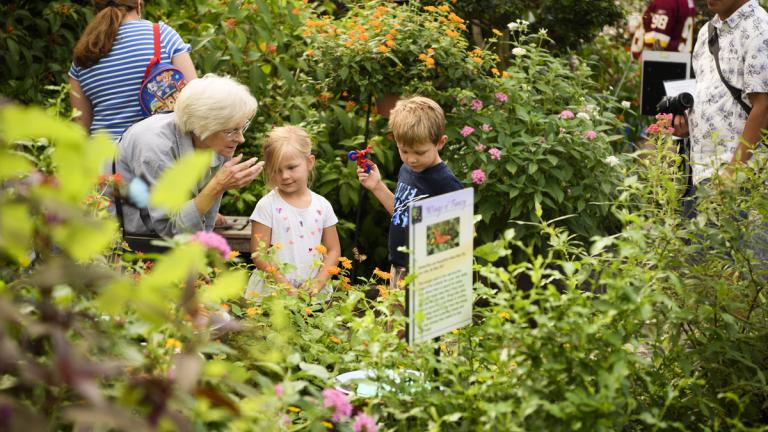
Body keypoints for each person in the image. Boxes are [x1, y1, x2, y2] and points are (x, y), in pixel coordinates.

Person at [115, 74, 263, 236]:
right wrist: (218, 185)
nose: (241, 139)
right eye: (232, 130)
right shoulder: (155, 148)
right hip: (117, 239)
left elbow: (204, 223)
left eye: (242, 127)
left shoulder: (218, 142)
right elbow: (169, 228)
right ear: (203, 126)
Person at [357, 96, 463, 288]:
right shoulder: (407, 170)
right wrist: (377, 186)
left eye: (420, 152)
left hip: (425, 276)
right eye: (404, 151)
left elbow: (463, 235)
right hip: (398, 268)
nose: (411, 159)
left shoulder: (445, 183)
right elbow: (402, 212)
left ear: (440, 142)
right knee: (395, 318)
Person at [69, 0, 196, 139]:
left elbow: (81, 129)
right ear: (138, 3)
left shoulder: (84, 53)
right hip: (156, 152)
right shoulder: (162, 36)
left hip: (103, 155)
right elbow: (197, 100)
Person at [675, 0, 768, 188]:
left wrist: (732, 173)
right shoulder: (706, 32)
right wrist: (688, 122)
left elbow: (764, 107)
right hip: (701, 172)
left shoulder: (760, 29)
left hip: (742, 178)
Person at [247, 125, 341, 296]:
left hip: (312, 296)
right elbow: (258, 253)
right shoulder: (267, 206)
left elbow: (333, 249)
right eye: (277, 170)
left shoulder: (322, 206)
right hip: (273, 294)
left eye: (291, 167)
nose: (284, 176)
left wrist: (318, 282)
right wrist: (284, 286)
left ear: (309, 162)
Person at [630, 0, 697, 59]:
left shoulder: (665, 2)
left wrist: (644, 57)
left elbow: (657, 42)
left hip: (662, 61)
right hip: (680, 58)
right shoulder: (687, 2)